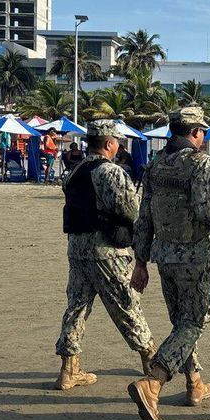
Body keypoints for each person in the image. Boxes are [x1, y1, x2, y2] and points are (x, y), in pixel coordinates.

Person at [127, 107, 210, 420]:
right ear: (196, 132)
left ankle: (195, 382)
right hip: (194, 254)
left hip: (163, 255)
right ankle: (154, 381)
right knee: (195, 320)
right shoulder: (201, 163)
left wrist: (140, 261)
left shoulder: (155, 166)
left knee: (181, 320)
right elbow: (207, 208)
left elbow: (143, 219)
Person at [54, 120, 157, 390]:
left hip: (77, 248)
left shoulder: (76, 170)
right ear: (109, 143)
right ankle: (151, 360)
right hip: (107, 250)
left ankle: (68, 369)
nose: (119, 146)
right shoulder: (110, 172)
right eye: (118, 142)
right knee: (126, 305)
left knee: (76, 306)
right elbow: (131, 210)